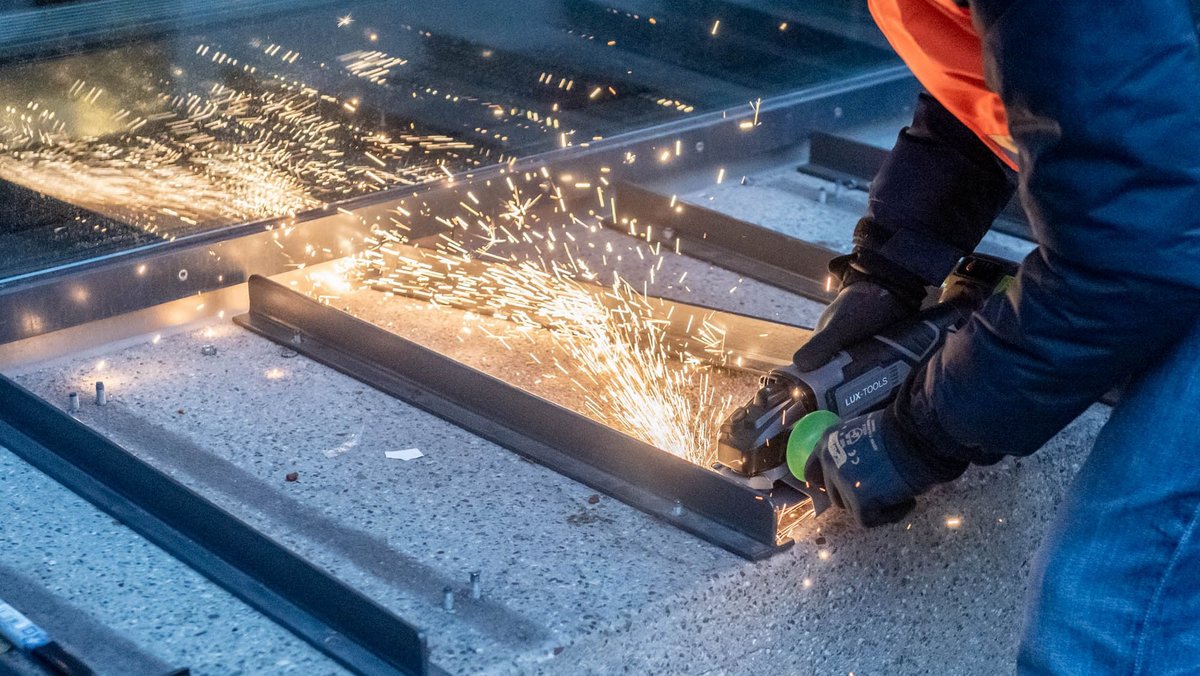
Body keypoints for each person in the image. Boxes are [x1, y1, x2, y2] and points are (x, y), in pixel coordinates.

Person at [795, 0, 1200, 671]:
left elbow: (1134, 256)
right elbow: (1040, 76)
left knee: (1110, 617)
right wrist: (894, 261)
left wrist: (923, 431)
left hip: (1163, 239)